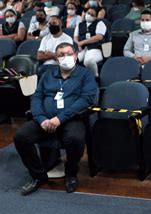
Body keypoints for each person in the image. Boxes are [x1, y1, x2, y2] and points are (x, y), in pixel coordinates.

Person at [14, 42, 97, 195]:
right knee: (21, 137)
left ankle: (71, 174)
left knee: (75, 139)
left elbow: (86, 100)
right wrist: (41, 119)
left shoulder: (85, 75)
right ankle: (38, 176)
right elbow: (37, 97)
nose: (65, 57)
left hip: (71, 118)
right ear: (57, 59)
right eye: (61, 55)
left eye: (69, 53)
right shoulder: (47, 75)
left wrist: (59, 119)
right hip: (45, 119)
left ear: (76, 55)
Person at [73, 8, 108, 77]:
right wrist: (78, 44)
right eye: (88, 13)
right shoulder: (80, 24)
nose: (89, 15)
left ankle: (95, 76)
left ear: (95, 17)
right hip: (81, 49)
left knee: (88, 61)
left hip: (95, 48)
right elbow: (75, 37)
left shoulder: (100, 23)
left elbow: (99, 37)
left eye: (92, 15)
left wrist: (82, 42)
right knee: (72, 61)